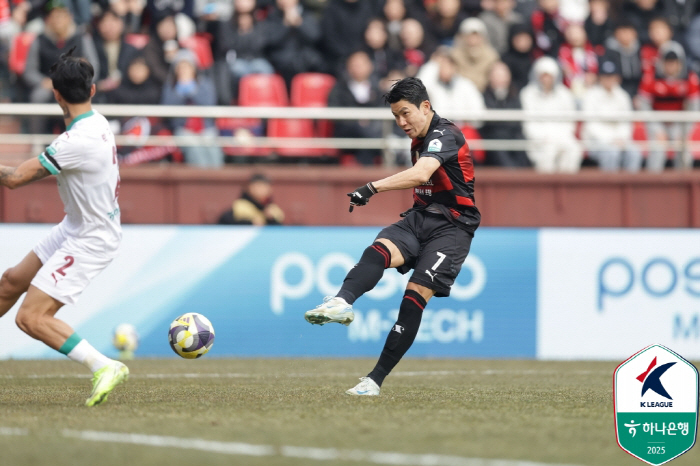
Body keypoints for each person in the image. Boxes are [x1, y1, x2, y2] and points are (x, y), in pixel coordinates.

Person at [304, 77, 480, 396]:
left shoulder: (445, 134)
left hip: (452, 227)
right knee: (377, 251)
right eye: (396, 116)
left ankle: (373, 381)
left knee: (412, 301)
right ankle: (341, 302)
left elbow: (421, 174)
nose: (401, 122)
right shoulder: (419, 137)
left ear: (426, 107)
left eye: (405, 113)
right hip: (420, 218)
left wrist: (372, 187)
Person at [0, 48, 127, 407]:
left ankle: (103, 365)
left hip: (91, 238)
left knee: (30, 317)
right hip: (76, 226)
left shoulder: (76, 141)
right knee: (10, 282)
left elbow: (13, 179)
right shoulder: (97, 122)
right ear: (93, 90)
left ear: (56, 94)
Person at [637, 42, 700, 170]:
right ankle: (653, 184)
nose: (671, 66)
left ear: (681, 63)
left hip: (680, 123)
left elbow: (694, 108)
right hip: (656, 122)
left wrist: (684, 132)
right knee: (657, 149)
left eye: (674, 62)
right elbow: (644, 106)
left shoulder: (690, 78)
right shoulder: (651, 77)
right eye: (667, 62)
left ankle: (683, 184)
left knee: (684, 150)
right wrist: (656, 129)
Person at [161, 49, 223, 167]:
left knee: (214, 152)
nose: (184, 70)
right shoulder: (170, 86)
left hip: (206, 128)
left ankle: (216, 181)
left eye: (187, 66)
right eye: (180, 67)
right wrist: (179, 93)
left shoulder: (205, 84)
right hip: (184, 129)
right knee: (195, 150)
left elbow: (209, 104)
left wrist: (193, 91)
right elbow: (166, 109)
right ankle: (200, 182)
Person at [520, 56, 583, 172]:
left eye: (549, 76)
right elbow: (528, 123)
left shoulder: (564, 94)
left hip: (562, 136)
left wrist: (559, 136)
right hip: (539, 139)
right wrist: (543, 137)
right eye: (543, 75)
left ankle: (567, 185)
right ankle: (545, 188)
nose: (546, 79)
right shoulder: (528, 94)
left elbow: (570, 122)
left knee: (574, 149)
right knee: (548, 151)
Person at [581, 57, 642, 171]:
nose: (609, 80)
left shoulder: (622, 96)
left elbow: (626, 123)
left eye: (611, 76)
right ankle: (610, 188)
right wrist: (610, 140)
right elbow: (591, 126)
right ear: (600, 78)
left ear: (617, 78)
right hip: (596, 142)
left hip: (620, 140)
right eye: (606, 76)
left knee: (634, 152)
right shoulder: (591, 95)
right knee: (611, 153)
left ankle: (630, 187)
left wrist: (621, 139)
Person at [328, 50, 383, 165]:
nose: (358, 68)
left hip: (374, 131)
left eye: (361, 64)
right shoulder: (339, 89)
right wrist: (357, 122)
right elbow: (333, 112)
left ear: (370, 66)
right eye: (354, 64)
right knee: (367, 133)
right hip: (347, 132)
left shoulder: (378, 89)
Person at [481, 61, 531, 167]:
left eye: (504, 75)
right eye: (497, 75)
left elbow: (517, 119)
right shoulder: (484, 96)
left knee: (522, 145)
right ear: (490, 77)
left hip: (514, 135)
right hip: (493, 138)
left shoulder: (515, 95)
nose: (501, 79)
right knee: (499, 147)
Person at [451, 17, 499, 93]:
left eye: (476, 36)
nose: (473, 39)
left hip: (485, 94)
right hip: (459, 93)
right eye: (469, 36)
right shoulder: (454, 55)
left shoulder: (491, 56)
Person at [218, 173, 285, 225]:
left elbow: (279, 230)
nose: (260, 190)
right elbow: (225, 223)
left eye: (263, 187)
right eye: (257, 186)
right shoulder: (240, 206)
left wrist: (271, 220)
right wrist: (250, 223)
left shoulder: (273, 209)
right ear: (249, 188)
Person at [604, 21, 643, 98]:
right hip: (618, 87)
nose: (625, 35)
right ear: (616, 34)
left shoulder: (641, 50)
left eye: (628, 32)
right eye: (622, 32)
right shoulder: (610, 52)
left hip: (638, 87)